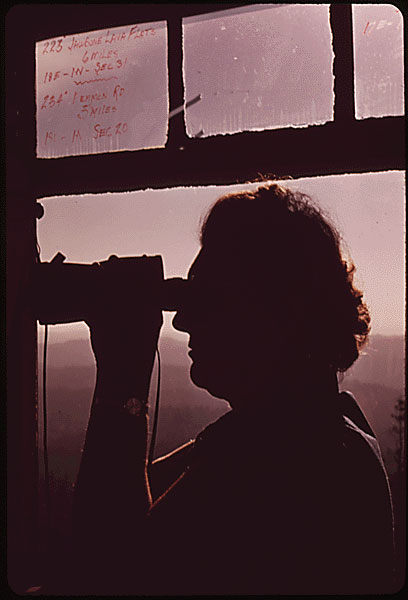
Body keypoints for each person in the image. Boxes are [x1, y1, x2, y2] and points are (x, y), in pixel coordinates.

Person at [70, 183, 395, 595]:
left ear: (279, 313)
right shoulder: (325, 428)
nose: (180, 320)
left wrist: (122, 383)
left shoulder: (279, 461)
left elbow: (102, 571)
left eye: (205, 298)